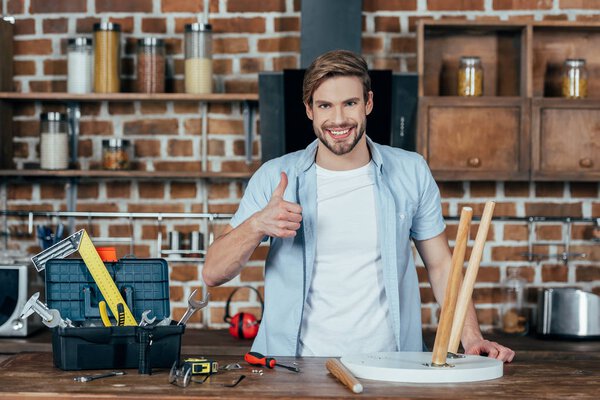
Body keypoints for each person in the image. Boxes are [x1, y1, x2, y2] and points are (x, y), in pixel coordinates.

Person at [203, 49, 514, 362]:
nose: (338, 119)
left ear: (368, 103)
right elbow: (213, 273)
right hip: (292, 370)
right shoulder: (275, 177)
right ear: (309, 110)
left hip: (392, 368)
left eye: (349, 103)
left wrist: (471, 337)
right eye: (325, 105)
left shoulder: (411, 171)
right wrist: (257, 224)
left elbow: (441, 266)